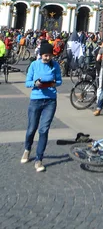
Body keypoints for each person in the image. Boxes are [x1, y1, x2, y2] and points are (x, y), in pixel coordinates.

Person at [22, 41, 62, 171]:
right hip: (36, 100)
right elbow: (27, 82)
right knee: (31, 129)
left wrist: (54, 84)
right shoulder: (34, 65)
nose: (48, 58)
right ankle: (27, 149)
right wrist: (35, 83)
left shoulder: (55, 65)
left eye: (50, 55)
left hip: (50, 101)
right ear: (41, 55)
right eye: (45, 55)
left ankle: (39, 159)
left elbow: (59, 80)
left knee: (43, 130)